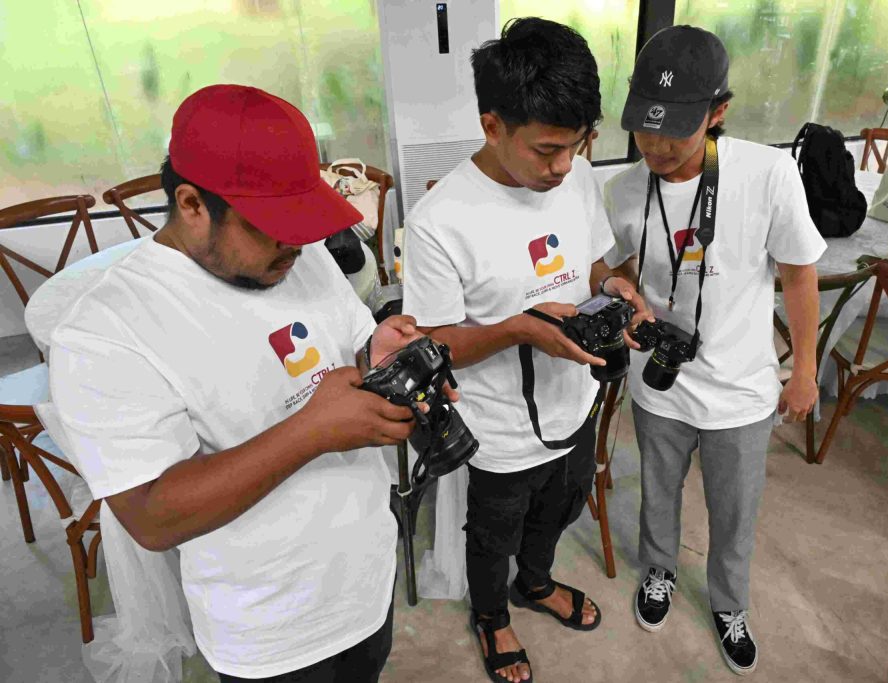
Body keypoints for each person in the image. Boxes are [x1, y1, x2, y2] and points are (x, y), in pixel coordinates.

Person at [49, 84, 441, 682]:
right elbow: (152, 516)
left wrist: (376, 354)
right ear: (191, 204)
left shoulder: (300, 256)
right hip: (269, 633)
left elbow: (349, 345)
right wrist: (311, 431)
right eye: (273, 227)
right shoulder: (105, 330)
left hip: (365, 581)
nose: (296, 245)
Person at [401, 17, 650, 683]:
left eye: (577, 145)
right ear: (492, 126)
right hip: (501, 428)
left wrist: (614, 286)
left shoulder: (577, 178)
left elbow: (591, 265)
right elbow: (434, 344)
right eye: (546, 150)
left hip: (577, 399)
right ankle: (491, 616)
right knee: (494, 531)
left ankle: (534, 583)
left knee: (562, 506)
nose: (563, 166)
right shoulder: (440, 222)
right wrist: (518, 328)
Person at [602, 26, 825, 675]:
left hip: (743, 390)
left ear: (718, 111)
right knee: (658, 493)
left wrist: (804, 368)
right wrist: (625, 294)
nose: (656, 146)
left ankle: (729, 603)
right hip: (659, 383)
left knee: (734, 511)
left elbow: (799, 274)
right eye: (644, 128)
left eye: (675, 130)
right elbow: (611, 265)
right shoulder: (623, 190)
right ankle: (658, 570)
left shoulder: (768, 174)